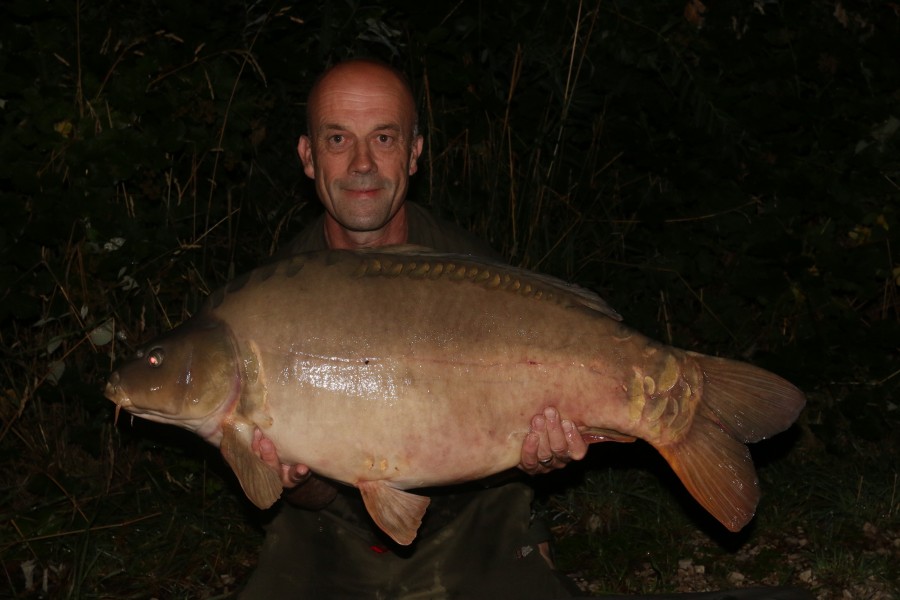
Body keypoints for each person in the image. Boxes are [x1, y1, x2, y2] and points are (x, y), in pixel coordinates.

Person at [239, 58, 588, 599]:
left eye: (383, 137)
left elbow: (522, 448)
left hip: (475, 509)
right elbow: (311, 497)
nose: (361, 164)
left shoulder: (471, 272)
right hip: (334, 527)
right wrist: (300, 481)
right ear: (308, 157)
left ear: (414, 152)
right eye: (337, 139)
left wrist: (545, 454)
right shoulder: (273, 300)